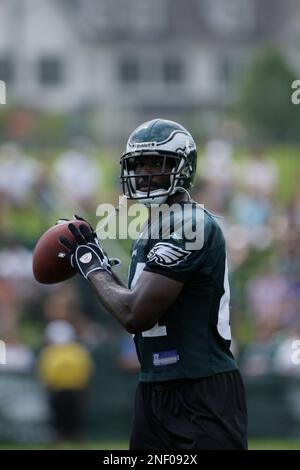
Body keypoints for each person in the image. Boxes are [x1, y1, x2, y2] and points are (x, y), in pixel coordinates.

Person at [58, 119, 248, 450]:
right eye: (138, 164)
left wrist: (91, 265)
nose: (145, 172)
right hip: (154, 388)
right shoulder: (153, 228)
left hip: (200, 389)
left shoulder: (192, 225)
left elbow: (135, 314)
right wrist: (98, 261)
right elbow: (131, 300)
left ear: (182, 168)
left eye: (157, 163)